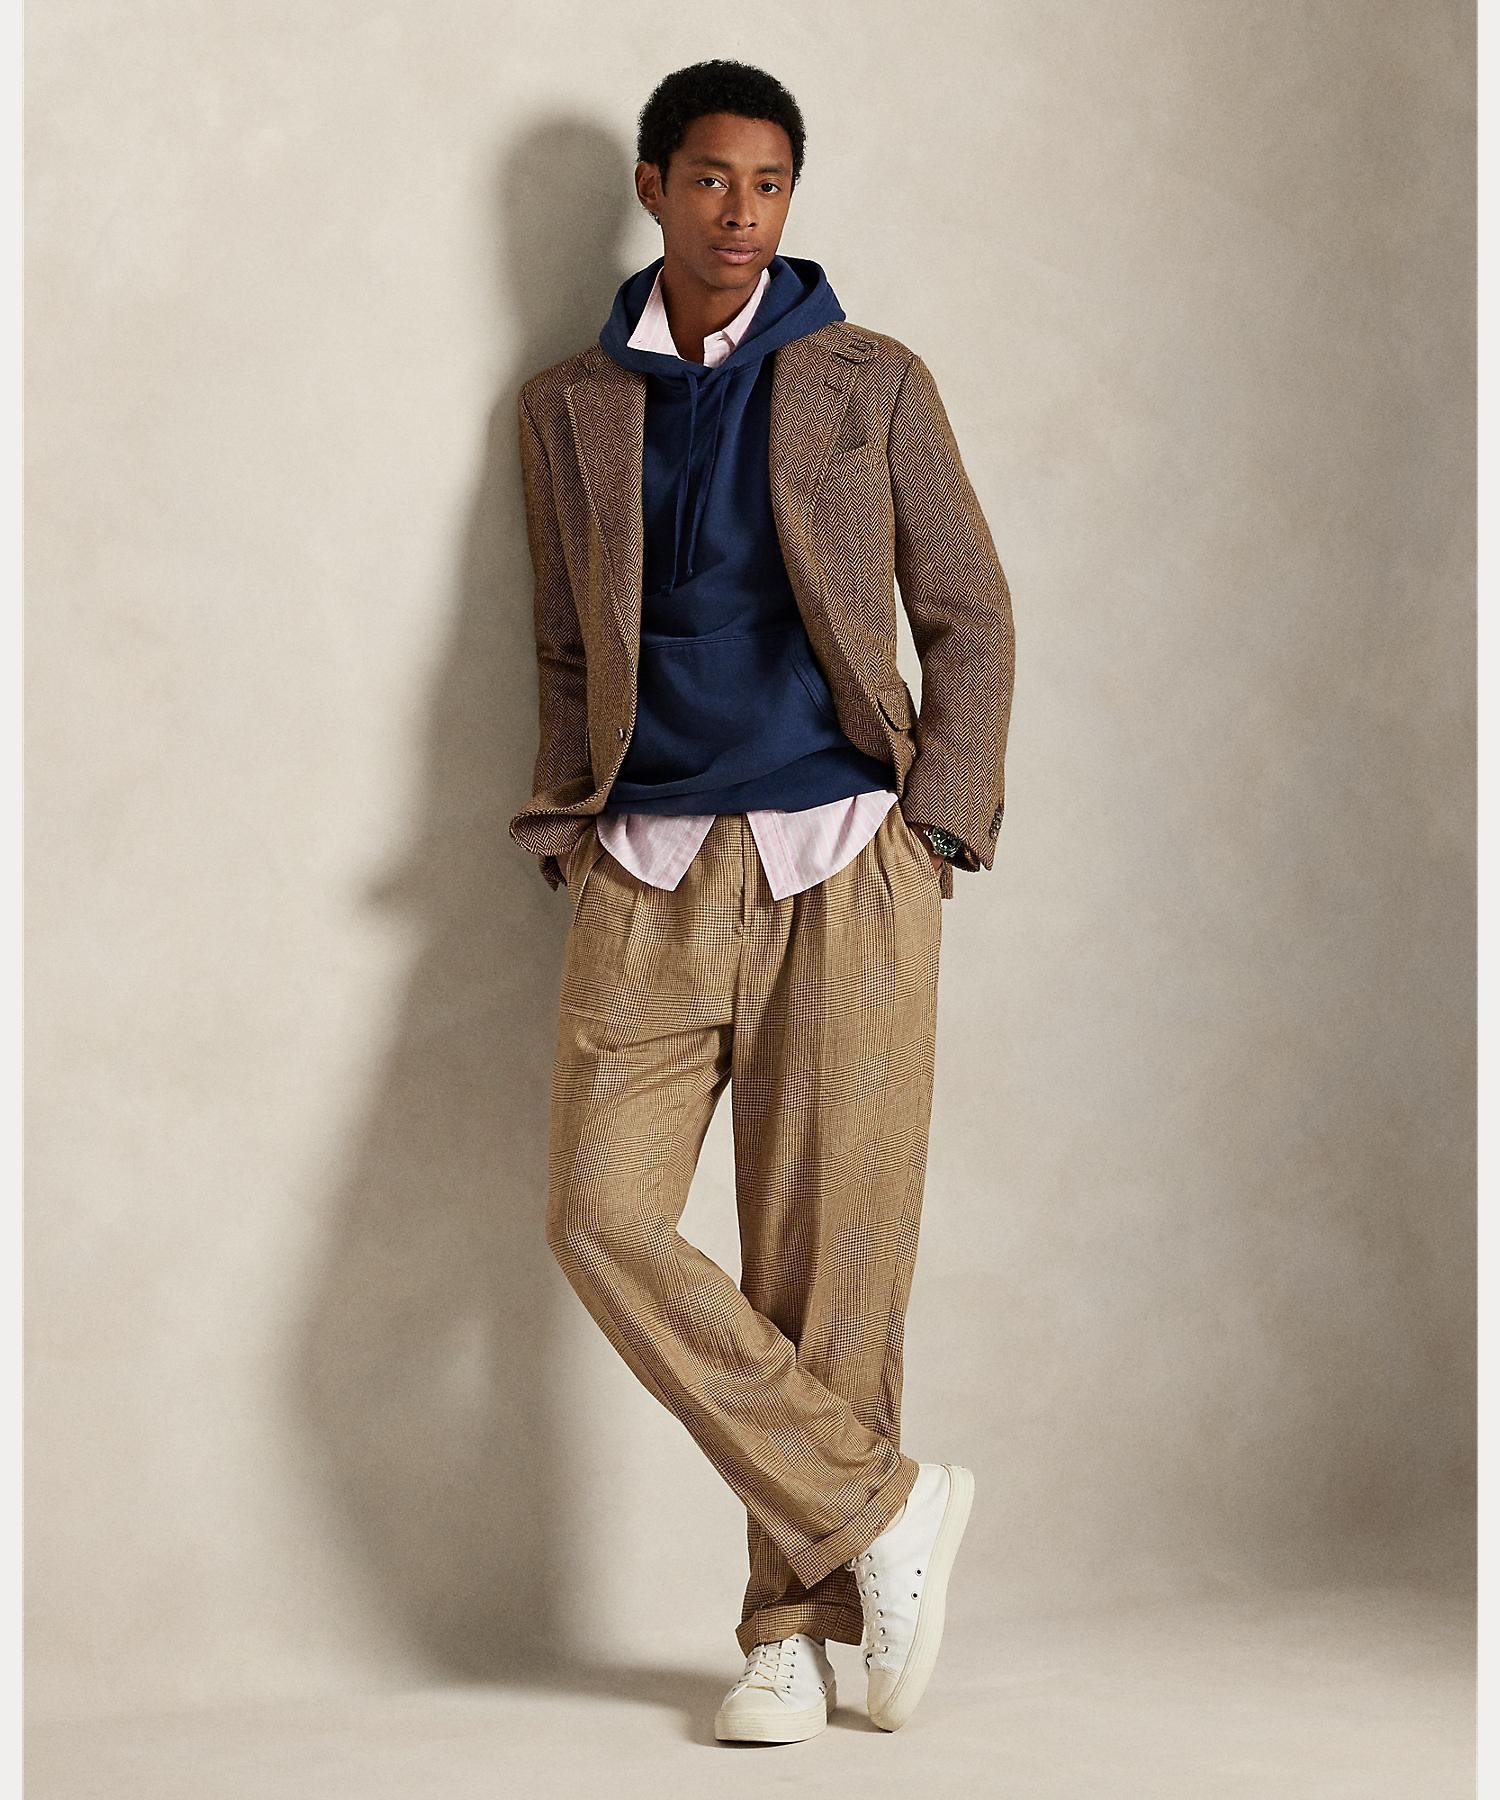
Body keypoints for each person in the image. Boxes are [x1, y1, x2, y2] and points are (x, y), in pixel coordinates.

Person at [508, 57, 1015, 1742]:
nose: (742, 212)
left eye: (772, 182)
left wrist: (938, 828)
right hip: (648, 868)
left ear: (793, 197)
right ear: (653, 187)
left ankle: (789, 1634)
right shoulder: (568, 407)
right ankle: (881, 1507)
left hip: (845, 858)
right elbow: (565, 640)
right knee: (600, 1216)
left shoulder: (871, 378)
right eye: (713, 179)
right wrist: (572, 822)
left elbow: (968, 611)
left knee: (829, 1262)